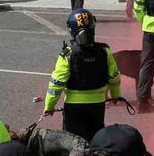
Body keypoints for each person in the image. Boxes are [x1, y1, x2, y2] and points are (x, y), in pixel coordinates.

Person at [42, 9, 122, 143]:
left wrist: (49, 106)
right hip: (97, 105)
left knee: (74, 147)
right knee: (96, 143)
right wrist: (115, 96)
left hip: (74, 107)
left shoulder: (68, 54)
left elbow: (56, 84)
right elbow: (114, 77)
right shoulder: (104, 51)